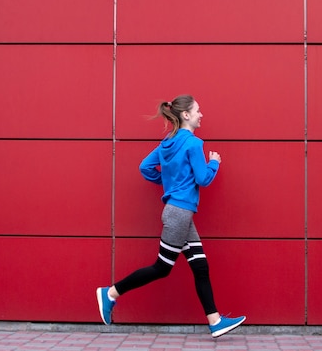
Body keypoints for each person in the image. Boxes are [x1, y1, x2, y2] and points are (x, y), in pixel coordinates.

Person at [96, 94, 246, 338]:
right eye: (198, 110)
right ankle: (110, 293)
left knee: (200, 266)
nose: (201, 114)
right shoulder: (194, 144)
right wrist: (214, 163)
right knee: (162, 267)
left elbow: (145, 167)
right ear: (186, 115)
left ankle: (215, 321)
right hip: (179, 213)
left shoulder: (168, 141)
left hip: (178, 212)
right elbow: (203, 179)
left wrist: (168, 185)